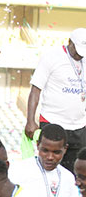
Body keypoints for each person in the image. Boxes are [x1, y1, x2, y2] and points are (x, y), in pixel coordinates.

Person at [26, 28, 86, 173]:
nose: (79, 55)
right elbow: (35, 90)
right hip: (52, 122)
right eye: (77, 50)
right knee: (50, 169)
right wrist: (30, 120)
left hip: (79, 127)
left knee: (76, 173)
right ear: (69, 42)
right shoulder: (52, 57)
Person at [10, 123, 76, 197]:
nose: (50, 157)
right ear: (37, 145)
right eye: (45, 150)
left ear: (65, 149)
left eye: (56, 152)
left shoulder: (68, 178)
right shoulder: (19, 170)